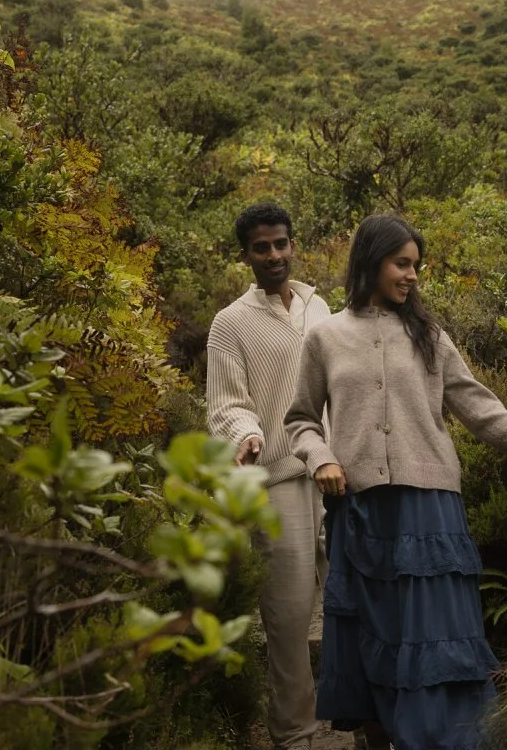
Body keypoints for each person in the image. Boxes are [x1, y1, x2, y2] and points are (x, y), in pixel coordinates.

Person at [284, 215, 507, 750]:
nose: (413, 275)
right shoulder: (325, 338)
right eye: (402, 264)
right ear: (370, 263)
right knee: (373, 639)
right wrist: (321, 457)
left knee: (435, 644)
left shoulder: (430, 339)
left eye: (416, 265)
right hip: (361, 513)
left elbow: (486, 413)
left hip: (429, 516)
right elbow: (299, 419)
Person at [207, 203, 332, 750]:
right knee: (287, 617)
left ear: (293, 245)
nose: (274, 255)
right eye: (262, 247)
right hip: (278, 481)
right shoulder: (230, 323)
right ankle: (296, 733)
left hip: (336, 476)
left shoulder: (319, 307)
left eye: (281, 243)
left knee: (353, 602)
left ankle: (362, 718)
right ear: (246, 256)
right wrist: (246, 435)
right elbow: (225, 403)